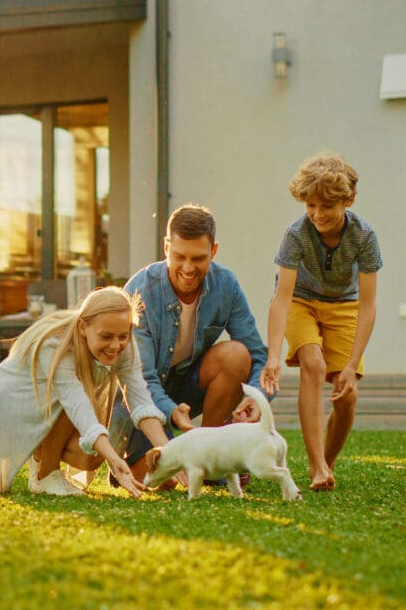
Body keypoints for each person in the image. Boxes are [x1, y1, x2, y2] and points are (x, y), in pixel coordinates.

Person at [117, 203, 269, 484]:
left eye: (199, 258)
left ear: (214, 251)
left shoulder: (226, 285)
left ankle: (210, 459)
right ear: (166, 248)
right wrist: (171, 414)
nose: (188, 268)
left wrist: (257, 398)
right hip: (140, 396)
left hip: (187, 386)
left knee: (237, 354)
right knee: (163, 480)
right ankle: (147, 459)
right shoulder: (139, 290)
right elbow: (141, 379)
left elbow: (258, 354)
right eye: (179, 256)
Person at [0, 286, 171, 497]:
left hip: (53, 403)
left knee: (90, 456)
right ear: (83, 327)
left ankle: (43, 461)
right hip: (13, 403)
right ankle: (44, 474)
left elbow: (141, 402)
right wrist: (115, 459)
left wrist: (172, 455)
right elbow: (76, 404)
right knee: (81, 412)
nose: (116, 345)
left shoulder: (124, 344)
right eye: (106, 337)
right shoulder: (57, 345)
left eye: (123, 336)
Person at [260, 153, 381, 492]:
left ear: (349, 200)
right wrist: (273, 356)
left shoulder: (364, 236)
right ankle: (315, 465)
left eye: (326, 206)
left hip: (345, 305)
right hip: (301, 302)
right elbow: (282, 298)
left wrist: (353, 364)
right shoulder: (296, 234)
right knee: (312, 363)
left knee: (346, 396)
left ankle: (327, 463)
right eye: (310, 205)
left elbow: (368, 305)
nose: (317, 214)